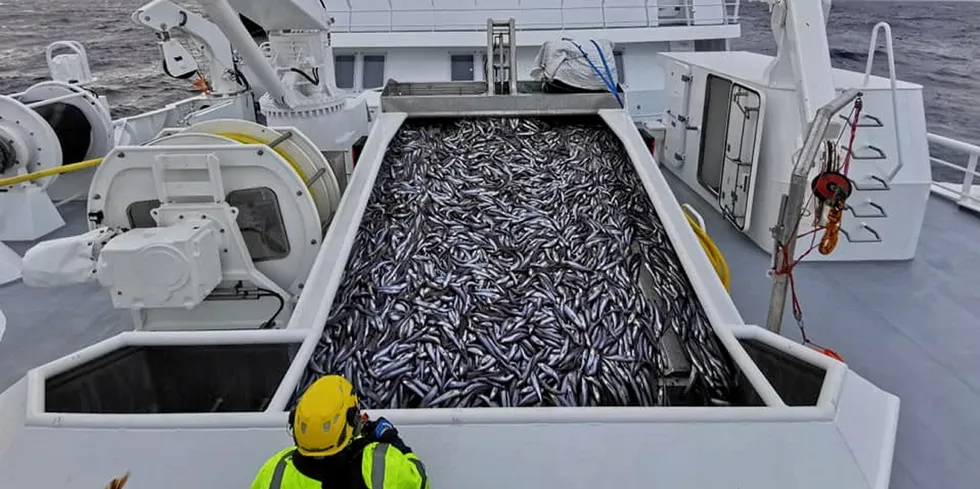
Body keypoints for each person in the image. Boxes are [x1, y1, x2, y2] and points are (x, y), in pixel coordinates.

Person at [251, 375, 429, 489]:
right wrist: (395, 442)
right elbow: (419, 480)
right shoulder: (380, 462)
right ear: (352, 421)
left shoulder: (275, 471)